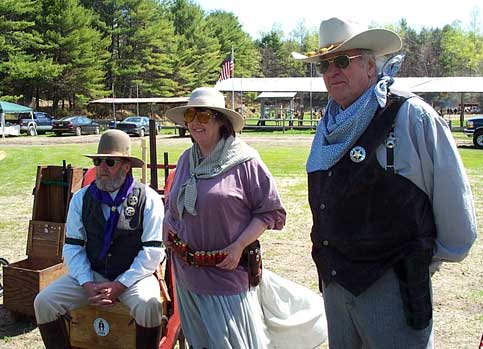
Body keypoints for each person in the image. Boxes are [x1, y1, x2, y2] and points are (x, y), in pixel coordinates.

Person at [293, 17, 477, 348]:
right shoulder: (327, 125)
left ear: (369, 65)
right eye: (324, 64)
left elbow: (457, 220)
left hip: (394, 288)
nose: (332, 71)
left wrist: (414, 263)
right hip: (336, 288)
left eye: (342, 60)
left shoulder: (411, 115)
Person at [163, 87, 286, 348]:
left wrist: (239, 246)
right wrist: (168, 223)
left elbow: (269, 211)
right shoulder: (187, 159)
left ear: (221, 121)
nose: (195, 122)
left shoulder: (245, 161)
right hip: (186, 275)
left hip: (226, 275)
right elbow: (174, 204)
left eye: (204, 116)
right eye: (190, 115)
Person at [34, 129, 165, 349]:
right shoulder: (81, 198)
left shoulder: (148, 198)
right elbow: (73, 247)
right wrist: (86, 282)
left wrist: (121, 285)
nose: (102, 168)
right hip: (92, 274)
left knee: (148, 305)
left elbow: (153, 251)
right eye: (98, 161)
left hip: (133, 276)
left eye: (110, 162)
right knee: (44, 302)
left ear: (126, 166)